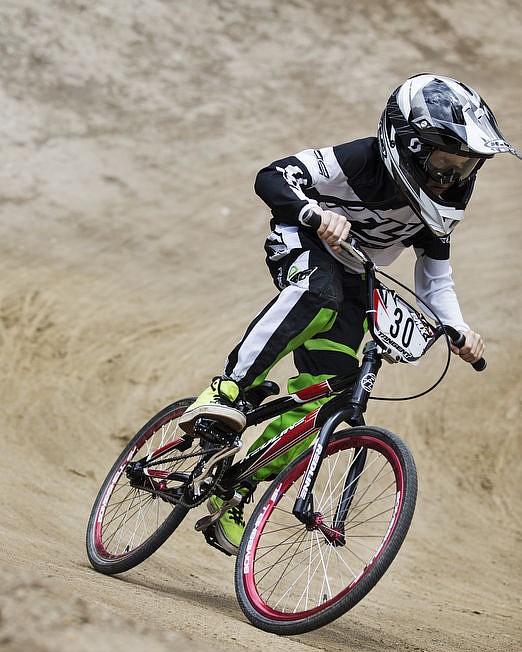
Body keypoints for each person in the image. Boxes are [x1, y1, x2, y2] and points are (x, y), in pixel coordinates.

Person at [179, 73, 519, 555]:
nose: (453, 176)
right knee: (319, 293)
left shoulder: (440, 204)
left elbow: (435, 274)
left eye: (465, 166)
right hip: (302, 243)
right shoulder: (360, 161)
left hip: (357, 276)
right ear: (410, 145)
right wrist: (313, 214)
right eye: (445, 161)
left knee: (331, 401)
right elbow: (273, 176)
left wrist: (459, 328)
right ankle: (227, 389)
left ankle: (240, 484)